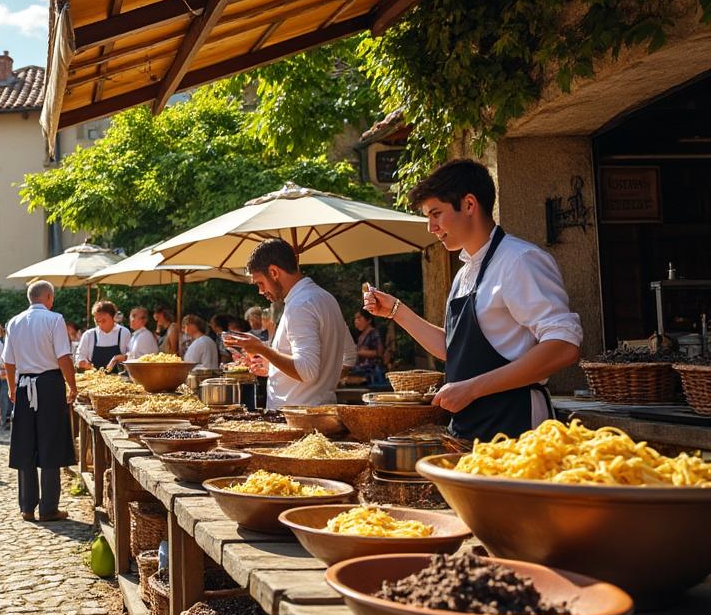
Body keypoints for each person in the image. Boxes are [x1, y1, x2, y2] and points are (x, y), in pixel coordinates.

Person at [363, 160, 581, 441]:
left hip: (517, 427)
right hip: (469, 430)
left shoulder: (519, 260)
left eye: (436, 214)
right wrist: (396, 311)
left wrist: (472, 388)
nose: (431, 227)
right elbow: (453, 350)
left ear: (468, 205)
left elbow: (564, 347)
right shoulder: (464, 273)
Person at [223, 239, 356, 409]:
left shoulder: (300, 305)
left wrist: (261, 349)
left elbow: (306, 371)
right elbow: (349, 356)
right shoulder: (325, 298)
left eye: (260, 283)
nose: (260, 291)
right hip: (314, 412)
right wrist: (274, 369)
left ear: (274, 272)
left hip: (297, 419)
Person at [3, 281, 78, 521]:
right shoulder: (54, 319)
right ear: (48, 296)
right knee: (50, 443)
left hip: (24, 385)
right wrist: (72, 386)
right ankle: (48, 508)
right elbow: (63, 357)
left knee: (26, 444)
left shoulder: (13, 322)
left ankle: (27, 507)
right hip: (49, 385)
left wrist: (11, 388)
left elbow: (9, 362)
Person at [76, 300, 131, 370]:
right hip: (93, 379)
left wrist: (124, 357)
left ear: (113, 317)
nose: (100, 324)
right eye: (97, 321)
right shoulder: (88, 335)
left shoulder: (124, 333)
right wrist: (82, 363)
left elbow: (133, 356)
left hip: (120, 378)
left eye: (103, 321)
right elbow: (79, 357)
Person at [350, 309, 388, 388]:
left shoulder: (374, 333)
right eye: (355, 319)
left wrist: (359, 352)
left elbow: (379, 353)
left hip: (371, 368)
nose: (356, 321)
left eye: (359, 319)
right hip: (360, 366)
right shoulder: (360, 336)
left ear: (369, 320)